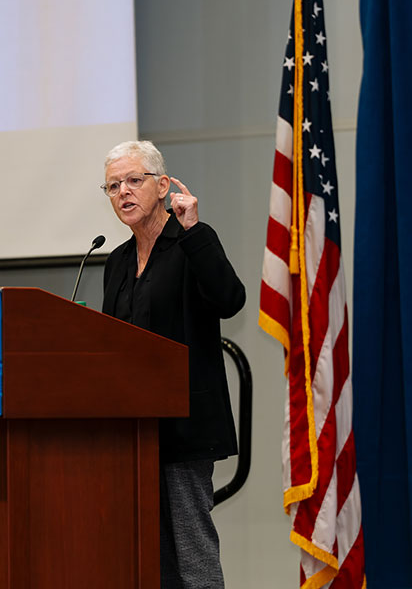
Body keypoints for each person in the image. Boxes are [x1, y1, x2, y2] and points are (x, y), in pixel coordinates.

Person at [100, 140, 245, 588]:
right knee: (152, 561)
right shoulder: (117, 260)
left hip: (184, 426)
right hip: (135, 430)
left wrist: (195, 228)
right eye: (112, 186)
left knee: (193, 557)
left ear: (162, 186)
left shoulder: (192, 242)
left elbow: (230, 299)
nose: (123, 192)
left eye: (133, 180)